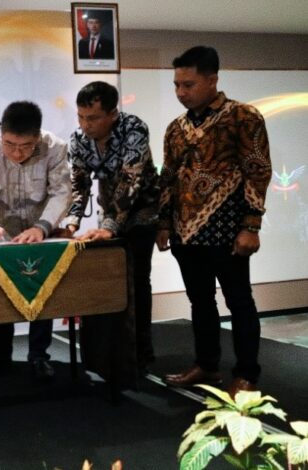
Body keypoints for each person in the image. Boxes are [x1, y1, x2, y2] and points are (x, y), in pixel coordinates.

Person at [157, 46, 272, 398]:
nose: (181, 92)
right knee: (200, 301)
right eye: (177, 85)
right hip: (185, 232)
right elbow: (168, 176)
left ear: (212, 80)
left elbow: (257, 170)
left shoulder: (243, 117)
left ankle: (247, 375)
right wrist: (164, 223)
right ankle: (207, 365)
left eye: (188, 84)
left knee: (239, 301)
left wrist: (251, 225)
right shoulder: (176, 128)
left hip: (228, 229)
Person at [0, 101, 71, 381]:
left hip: (42, 231)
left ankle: (39, 355)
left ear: (37, 137)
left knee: (42, 289)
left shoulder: (55, 148)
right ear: (1, 134)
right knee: (2, 291)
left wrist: (42, 227)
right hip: (6, 233)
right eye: (10, 145)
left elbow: (62, 193)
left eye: (25, 146)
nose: (16, 153)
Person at [66, 81, 160, 375]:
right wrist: (71, 223)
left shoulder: (134, 129)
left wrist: (110, 225)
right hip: (109, 215)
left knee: (137, 282)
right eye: (81, 117)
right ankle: (112, 354)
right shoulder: (78, 139)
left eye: (93, 118)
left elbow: (131, 182)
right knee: (109, 283)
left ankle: (141, 354)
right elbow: (79, 184)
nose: (85, 125)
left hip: (142, 212)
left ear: (113, 114)